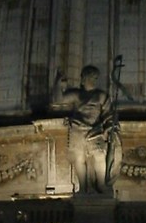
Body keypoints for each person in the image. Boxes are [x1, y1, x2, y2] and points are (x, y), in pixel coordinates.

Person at [53, 60, 124, 194]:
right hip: (77, 131)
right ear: (84, 78)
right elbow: (58, 100)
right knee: (79, 159)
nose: (92, 80)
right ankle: (83, 187)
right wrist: (58, 82)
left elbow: (109, 114)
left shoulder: (101, 95)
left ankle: (102, 184)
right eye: (90, 77)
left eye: (94, 78)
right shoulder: (76, 94)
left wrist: (109, 128)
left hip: (95, 131)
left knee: (99, 157)